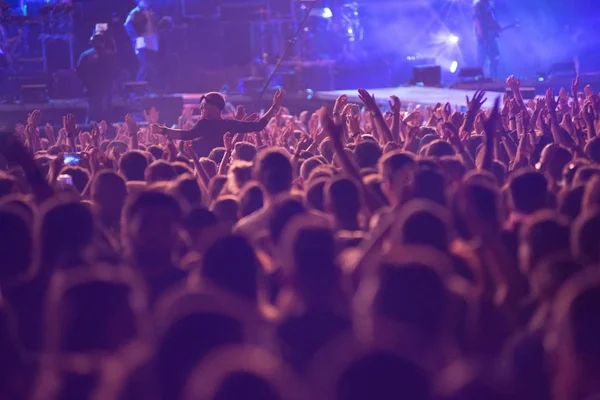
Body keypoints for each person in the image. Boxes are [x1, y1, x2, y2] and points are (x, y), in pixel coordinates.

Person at [150, 90, 285, 156]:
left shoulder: (207, 124)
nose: (201, 109)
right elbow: (259, 125)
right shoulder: (229, 124)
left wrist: (162, 130)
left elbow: (185, 135)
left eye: (203, 106)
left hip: (206, 166)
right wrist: (275, 107)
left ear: (214, 107)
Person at [124, 0, 169, 91]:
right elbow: (127, 24)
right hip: (142, 43)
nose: (147, 2)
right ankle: (137, 87)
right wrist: (134, 35)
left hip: (153, 43)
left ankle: (154, 88)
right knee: (146, 65)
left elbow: (158, 25)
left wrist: (164, 22)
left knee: (153, 66)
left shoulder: (151, 12)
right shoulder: (135, 12)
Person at [76, 32, 118, 123]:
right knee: (97, 112)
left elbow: (79, 72)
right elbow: (115, 72)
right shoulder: (87, 55)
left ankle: (93, 130)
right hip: (97, 88)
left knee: (97, 111)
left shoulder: (87, 55)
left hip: (100, 87)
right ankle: (94, 130)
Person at [473, 0, 502, 79]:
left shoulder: (489, 6)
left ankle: (493, 76)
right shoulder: (478, 5)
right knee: (482, 57)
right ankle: (478, 77)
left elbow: (492, 20)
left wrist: (497, 27)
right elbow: (476, 19)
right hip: (483, 37)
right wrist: (480, 33)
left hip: (491, 36)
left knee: (495, 56)